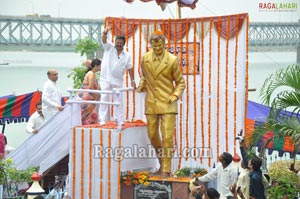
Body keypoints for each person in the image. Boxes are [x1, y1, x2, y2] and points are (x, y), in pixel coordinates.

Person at [137, 30, 186, 177]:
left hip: (168, 103)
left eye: (159, 46)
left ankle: (165, 169)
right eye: (154, 46)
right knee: (152, 134)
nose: (157, 49)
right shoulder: (144, 59)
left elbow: (180, 83)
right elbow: (144, 77)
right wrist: (141, 84)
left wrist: (175, 95)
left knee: (167, 136)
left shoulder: (172, 60)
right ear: (151, 45)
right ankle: (162, 160)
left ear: (164, 44)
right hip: (151, 102)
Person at [98, 25, 136, 124]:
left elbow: (130, 67)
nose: (118, 44)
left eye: (120, 43)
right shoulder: (109, 47)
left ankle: (118, 119)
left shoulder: (127, 55)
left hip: (118, 80)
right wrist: (105, 34)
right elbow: (104, 41)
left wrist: (132, 80)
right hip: (106, 78)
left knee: (118, 99)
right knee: (104, 97)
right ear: (114, 43)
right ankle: (102, 119)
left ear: (124, 44)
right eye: (117, 43)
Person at [78, 58, 101, 125]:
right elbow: (90, 87)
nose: (100, 68)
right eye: (99, 66)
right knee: (90, 115)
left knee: (89, 115)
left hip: (89, 97)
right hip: (88, 98)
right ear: (96, 66)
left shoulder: (92, 73)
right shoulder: (91, 74)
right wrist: (95, 97)